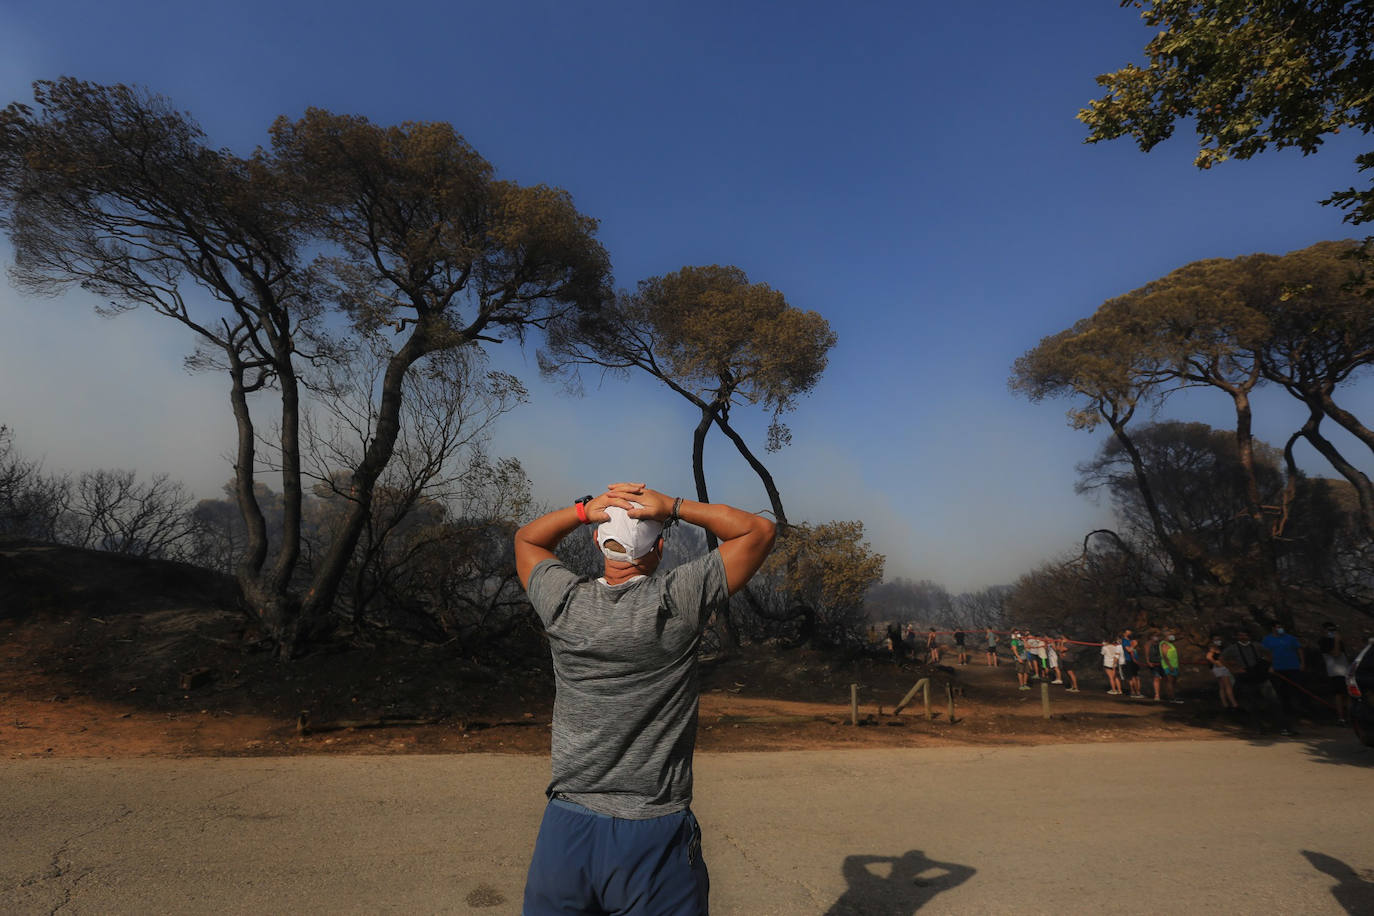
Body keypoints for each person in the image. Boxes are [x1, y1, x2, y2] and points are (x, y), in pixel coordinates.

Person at [514, 482, 776, 914]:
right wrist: (672, 506)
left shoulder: (563, 602)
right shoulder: (675, 600)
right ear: (658, 550)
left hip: (568, 825)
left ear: (598, 541)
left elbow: (527, 538)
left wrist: (585, 511)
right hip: (652, 830)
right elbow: (758, 532)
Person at [1262, 621, 1305, 735]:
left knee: (1292, 695)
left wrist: (1302, 663)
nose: (1280, 629)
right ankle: (1282, 725)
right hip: (1277, 670)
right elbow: (1265, 654)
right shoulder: (1267, 640)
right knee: (1279, 697)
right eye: (1278, 627)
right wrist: (1269, 666)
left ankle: (1293, 723)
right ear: (1273, 628)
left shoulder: (1290, 638)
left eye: (1281, 626)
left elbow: (1299, 649)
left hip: (1292, 668)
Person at [1318, 622, 1350, 725]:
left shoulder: (1338, 641)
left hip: (1345, 671)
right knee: (1339, 695)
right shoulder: (1324, 641)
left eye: (1333, 630)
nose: (1332, 632)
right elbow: (1336, 654)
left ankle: (1350, 716)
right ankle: (1341, 718)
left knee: (1348, 695)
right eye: (1329, 630)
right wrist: (1336, 641)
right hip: (1336, 672)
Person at [1205, 635, 1238, 710]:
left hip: (1220, 669)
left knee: (1222, 687)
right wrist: (1218, 663)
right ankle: (1234, 704)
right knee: (1228, 686)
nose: (1218, 641)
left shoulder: (1220, 649)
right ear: (1213, 641)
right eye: (1216, 639)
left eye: (1219, 639)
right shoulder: (1212, 649)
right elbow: (1209, 657)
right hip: (1221, 669)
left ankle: (1225, 704)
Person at [1159, 632, 1183, 703]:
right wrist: (1169, 666)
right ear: (1166, 636)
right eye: (1170, 635)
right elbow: (1164, 656)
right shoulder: (1164, 644)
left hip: (1174, 665)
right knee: (1170, 682)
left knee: (1172, 682)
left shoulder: (1170, 644)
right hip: (1169, 666)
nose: (1172, 636)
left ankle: (1171, 696)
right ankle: (1172, 697)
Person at [1120, 629, 1143, 698]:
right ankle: (1134, 692)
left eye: (1130, 632)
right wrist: (1133, 645)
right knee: (1132, 677)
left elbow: (1137, 649)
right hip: (1129, 660)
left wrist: (1136, 645)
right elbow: (1129, 650)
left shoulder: (1131, 640)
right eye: (1128, 633)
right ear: (1124, 634)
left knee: (1137, 677)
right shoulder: (1124, 641)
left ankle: (1138, 692)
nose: (1129, 634)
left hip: (1135, 660)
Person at [1142, 631, 1164, 701]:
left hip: (1161, 663)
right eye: (1155, 635)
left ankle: (1161, 693)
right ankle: (1157, 695)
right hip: (1153, 663)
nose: (1157, 637)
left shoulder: (1160, 643)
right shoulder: (1148, 644)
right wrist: (1148, 662)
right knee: (1156, 678)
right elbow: (1147, 654)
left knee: (1162, 678)